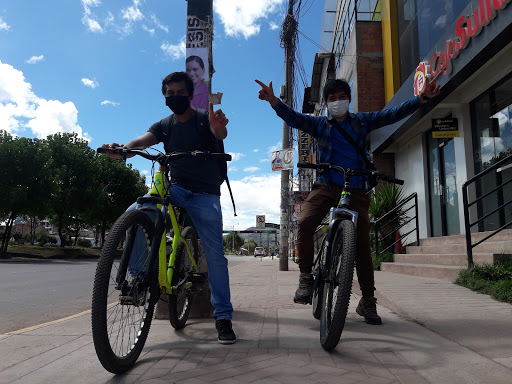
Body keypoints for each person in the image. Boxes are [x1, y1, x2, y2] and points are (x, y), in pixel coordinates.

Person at [255, 75, 440, 325]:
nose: (337, 102)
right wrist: (274, 101)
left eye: (342, 97)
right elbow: (295, 119)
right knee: (305, 223)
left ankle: (368, 300)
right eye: (332, 99)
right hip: (326, 185)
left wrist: (422, 98)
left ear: (349, 99)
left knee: (362, 246)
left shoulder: (362, 121)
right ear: (326, 103)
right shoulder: (320, 124)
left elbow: (392, 114)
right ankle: (306, 277)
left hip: (356, 188)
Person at [102, 71, 236, 344]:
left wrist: (219, 126)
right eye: (169, 93)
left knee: (215, 256)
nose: (174, 97)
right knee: (134, 213)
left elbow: (219, 131)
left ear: (190, 95)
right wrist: (124, 149)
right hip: (175, 189)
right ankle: (140, 280)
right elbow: (141, 140)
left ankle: (222, 317)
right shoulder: (165, 125)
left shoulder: (203, 119)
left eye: (179, 92)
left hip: (205, 195)